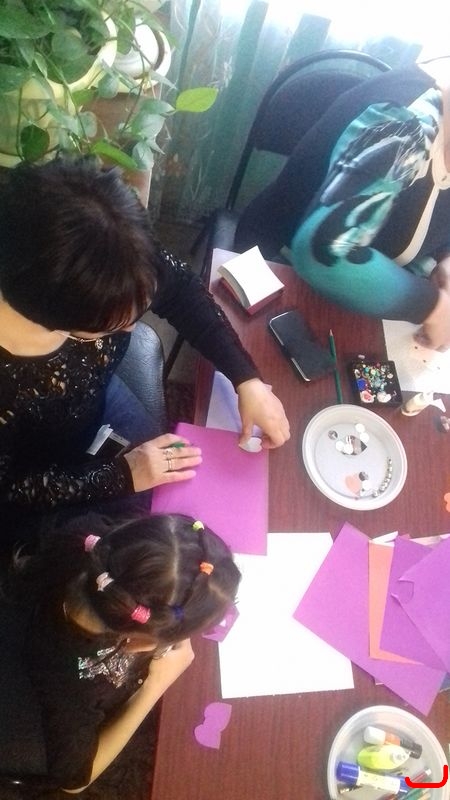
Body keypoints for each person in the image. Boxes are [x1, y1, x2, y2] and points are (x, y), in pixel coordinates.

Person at [0, 157, 290, 547]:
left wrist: (246, 378)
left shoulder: (112, 245)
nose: (133, 330)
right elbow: (9, 490)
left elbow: (181, 291)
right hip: (37, 479)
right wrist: (121, 475)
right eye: (112, 325)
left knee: (190, 494)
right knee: (139, 550)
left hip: (96, 407)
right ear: (48, 316)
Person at [2, 512, 241, 792]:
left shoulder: (93, 536)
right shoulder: (68, 682)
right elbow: (74, 781)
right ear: (143, 642)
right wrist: (155, 685)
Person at [235, 59, 450, 351]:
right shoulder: (405, 126)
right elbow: (325, 253)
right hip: (280, 266)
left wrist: (445, 258)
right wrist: (433, 307)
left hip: (374, 289)